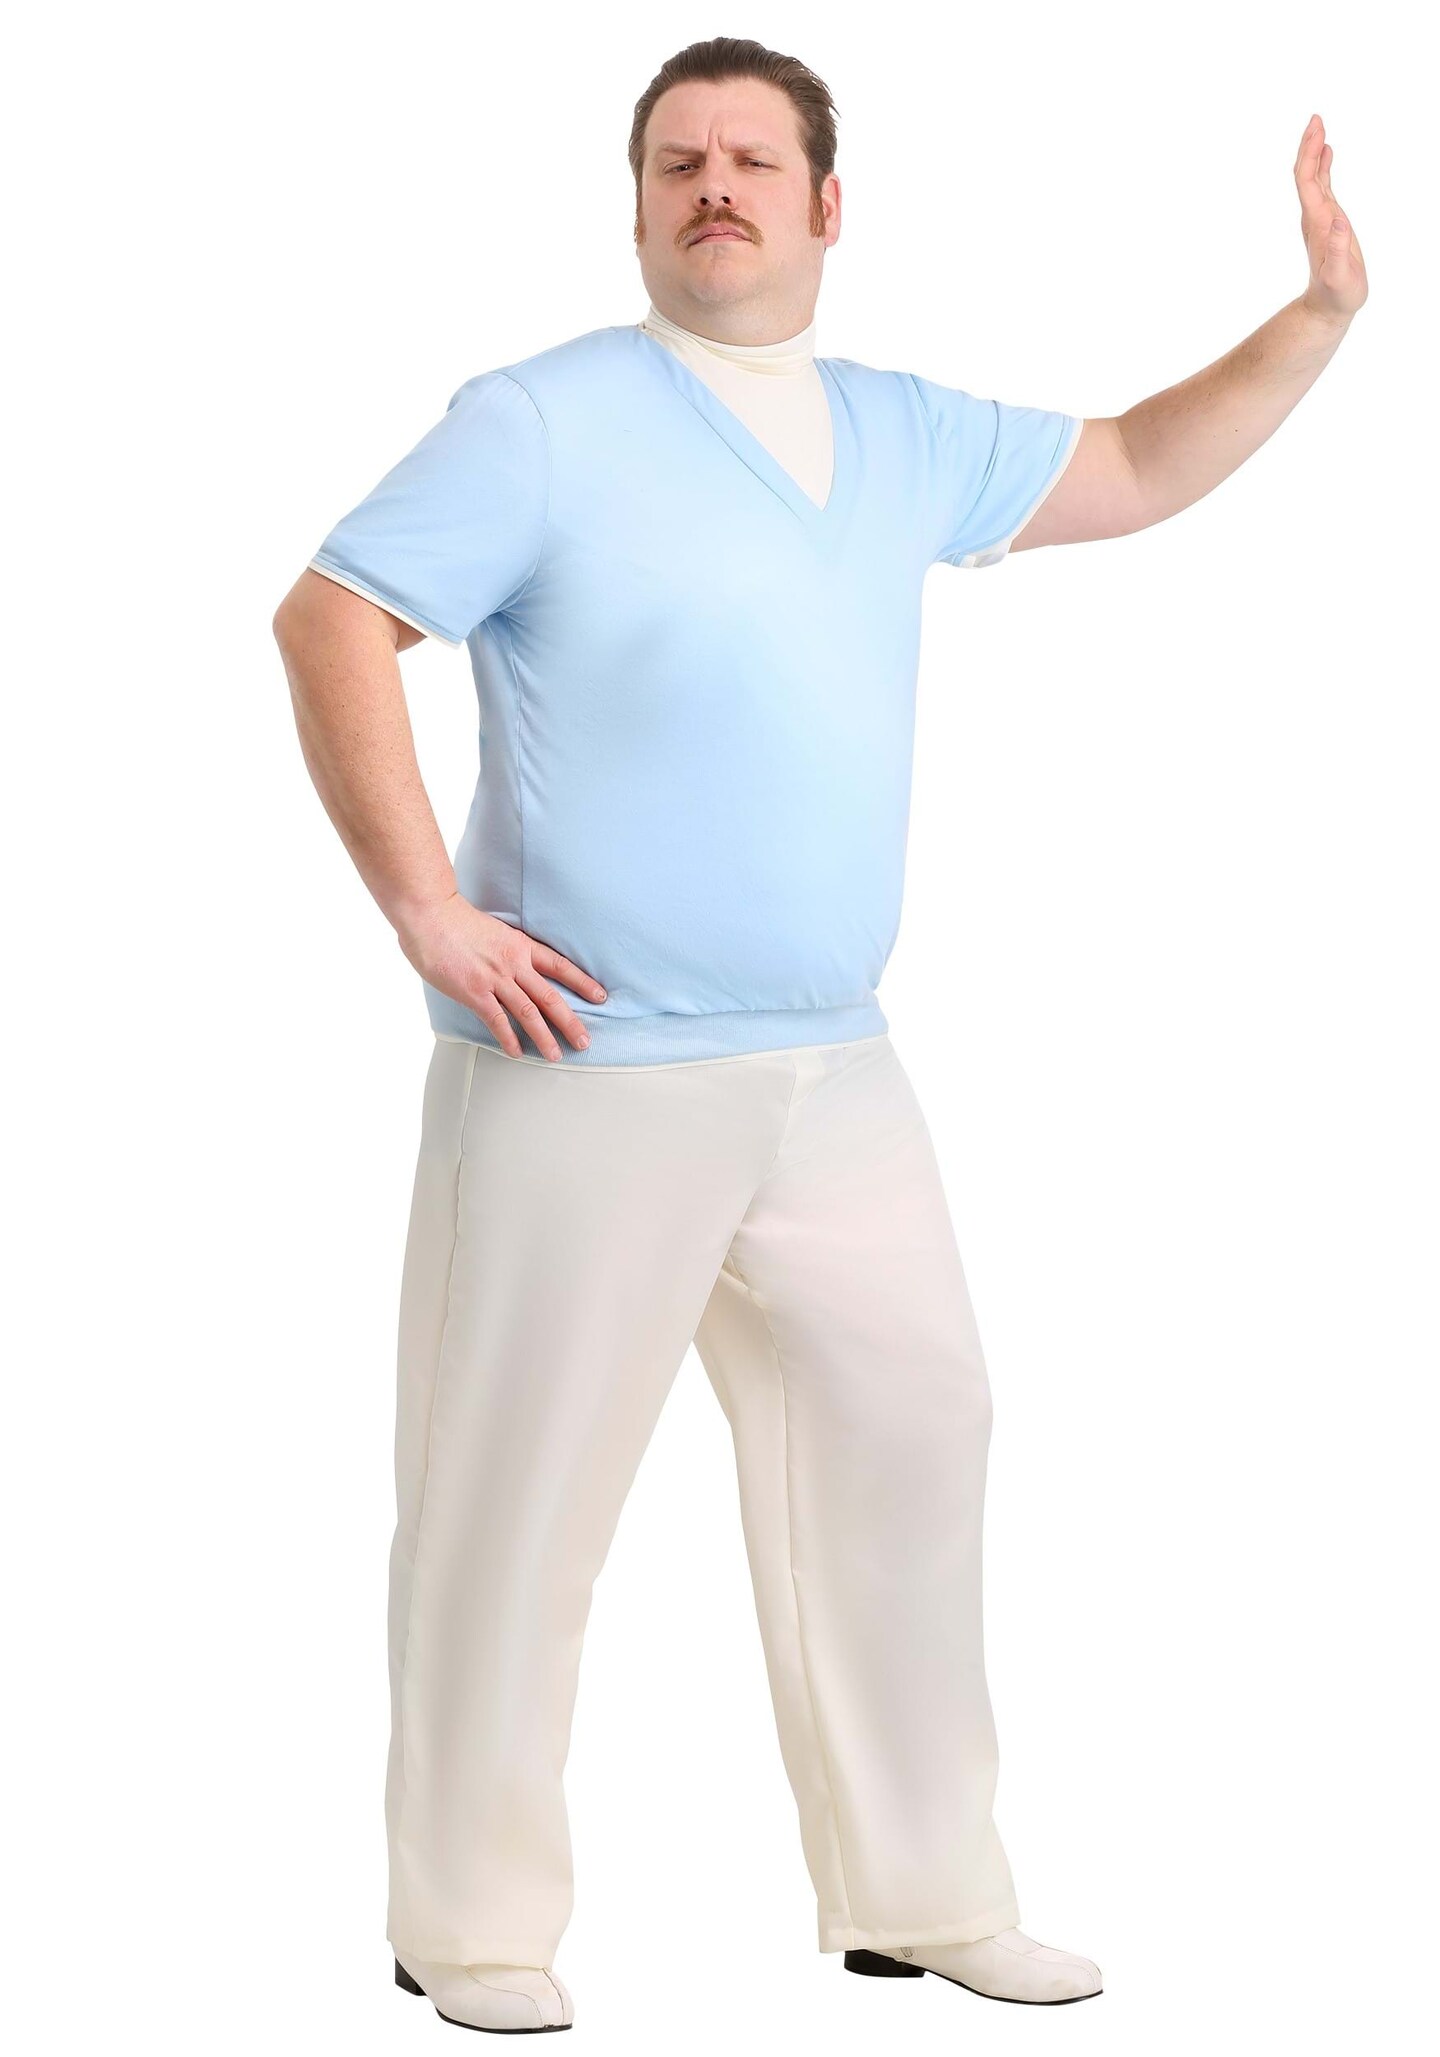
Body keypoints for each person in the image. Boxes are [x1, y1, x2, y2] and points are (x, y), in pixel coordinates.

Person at [272, 37, 1366, 2035]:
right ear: (637, 204)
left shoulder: (901, 431)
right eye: (678, 161)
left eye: (754, 161)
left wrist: (1313, 319)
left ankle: (921, 1891)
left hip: (836, 1064)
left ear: (826, 205)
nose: (717, 186)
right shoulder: (542, 421)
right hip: (585, 1064)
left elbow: (1133, 466)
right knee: (516, 1498)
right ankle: (469, 1923)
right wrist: (427, 911)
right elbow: (333, 614)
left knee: (915, 1431)